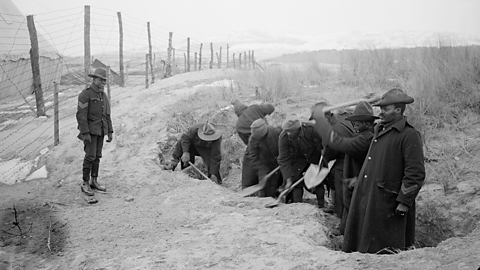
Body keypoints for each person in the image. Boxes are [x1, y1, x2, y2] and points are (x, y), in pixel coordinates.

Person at [340, 88, 425, 254]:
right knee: (364, 238)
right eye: (381, 109)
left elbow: (415, 173)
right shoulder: (380, 130)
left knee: (385, 246)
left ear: (398, 110)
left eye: (386, 109)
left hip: (389, 200)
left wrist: (404, 201)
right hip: (370, 195)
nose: (381, 113)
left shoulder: (409, 135)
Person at [311, 101, 379, 235]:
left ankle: (347, 233)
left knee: (351, 206)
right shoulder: (365, 134)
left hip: (360, 179)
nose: (354, 126)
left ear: (367, 123)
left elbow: (336, 142)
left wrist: (320, 120)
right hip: (356, 175)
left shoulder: (364, 140)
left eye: (358, 123)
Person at [76, 68, 113, 197]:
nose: (103, 82)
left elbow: (107, 114)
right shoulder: (85, 94)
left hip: (101, 131)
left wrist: (110, 131)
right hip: (90, 132)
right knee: (90, 156)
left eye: (104, 80)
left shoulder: (103, 95)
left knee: (97, 156)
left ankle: (94, 181)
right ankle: (85, 182)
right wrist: (85, 132)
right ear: (94, 79)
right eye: (100, 80)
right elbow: (81, 115)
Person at [277, 118, 325, 206]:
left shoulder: (311, 129)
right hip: (297, 160)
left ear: (298, 128)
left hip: (314, 157)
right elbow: (283, 158)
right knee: (295, 182)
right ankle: (298, 206)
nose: (289, 133)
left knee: (317, 181)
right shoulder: (283, 137)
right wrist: (288, 179)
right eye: (287, 131)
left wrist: (322, 157)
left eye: (291, 131)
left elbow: (324, 141)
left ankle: (322, 205)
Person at [231, 99, 275, 189]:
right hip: (270, 136)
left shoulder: (238, 126)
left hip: (255, 145)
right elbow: (271, 108)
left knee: (250, 164)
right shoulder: (255, 108)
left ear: (236, 113)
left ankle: (247, 187)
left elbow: (247, 142)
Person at [321, 110, 355, 216]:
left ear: (327, 116)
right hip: (349, 151)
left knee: (339, 182)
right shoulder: (339, 117)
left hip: (347, 156)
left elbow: (330, 153)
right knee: (331, 177)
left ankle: (340, 214)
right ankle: (335, 205)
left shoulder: (334, 130)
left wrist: (322, 160)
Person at [247, 118, 282, 197]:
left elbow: (285, 145)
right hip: (265, 162)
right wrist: (263, 171)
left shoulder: (276, 131)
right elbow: (253, 157)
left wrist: (283, 159)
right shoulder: (252, 139)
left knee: (282, 180)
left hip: (280, 158)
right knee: (265, 184)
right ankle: (266, 198)